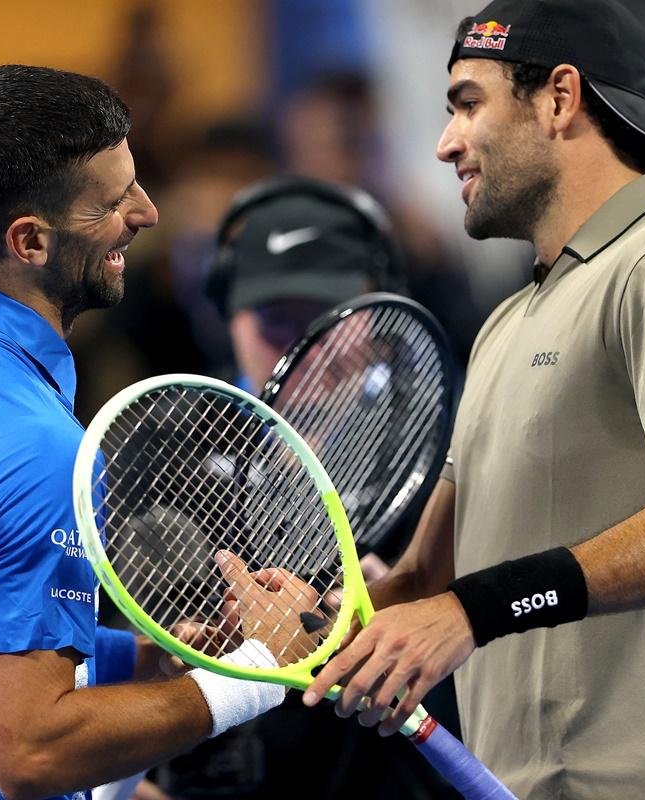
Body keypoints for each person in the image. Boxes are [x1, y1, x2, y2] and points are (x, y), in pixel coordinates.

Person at [306, 2, 645, 798]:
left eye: (467, 104)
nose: (445, 143)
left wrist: (475, 611)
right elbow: (429, 577)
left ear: (560, 99)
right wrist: (309, 623)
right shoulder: (505, 323)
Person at [0, 65, 312, 800]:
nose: (146, 213)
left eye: (136, 183)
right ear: (30, 240)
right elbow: (31, 752)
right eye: (113, 203)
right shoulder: (42, 455)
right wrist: (256, 676)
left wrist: (143, 663)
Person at [140, 176, 460, 800]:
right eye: (275, 321)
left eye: (327, 319)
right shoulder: (160, 443)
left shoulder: (450, 442)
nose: (303, 348)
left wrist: (408, 595)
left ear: (381, 311)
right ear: (224, 316)